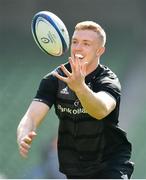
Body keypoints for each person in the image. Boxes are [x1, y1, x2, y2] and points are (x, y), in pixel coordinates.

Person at [17, 21, 134, 179]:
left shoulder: (107, 79)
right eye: (75, 42)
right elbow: (31, 116)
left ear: (99, 50)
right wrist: (23, 133)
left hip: (110, 162)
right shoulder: (55, 79)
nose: (78, 47)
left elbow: (100, 111)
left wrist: (80, 87)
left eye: (86, 43)